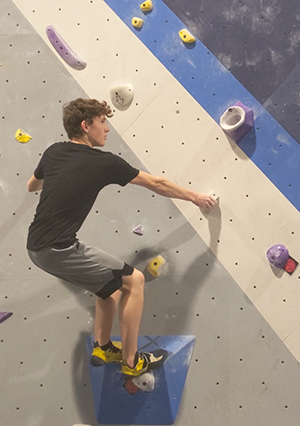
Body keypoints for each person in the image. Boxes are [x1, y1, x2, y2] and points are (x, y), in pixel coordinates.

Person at [26, 98, 216, 377]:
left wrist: (55, 177)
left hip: (45, 246)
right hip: (56, 249)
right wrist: (195, 197)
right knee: (134, 281)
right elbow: (156, 183)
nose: (107, 129)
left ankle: (103, 347)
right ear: (85, 125)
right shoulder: (103, 162)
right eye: (103, 122)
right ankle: (131, 362)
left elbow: (32, 185)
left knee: (110, 288)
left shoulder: (54, 152)